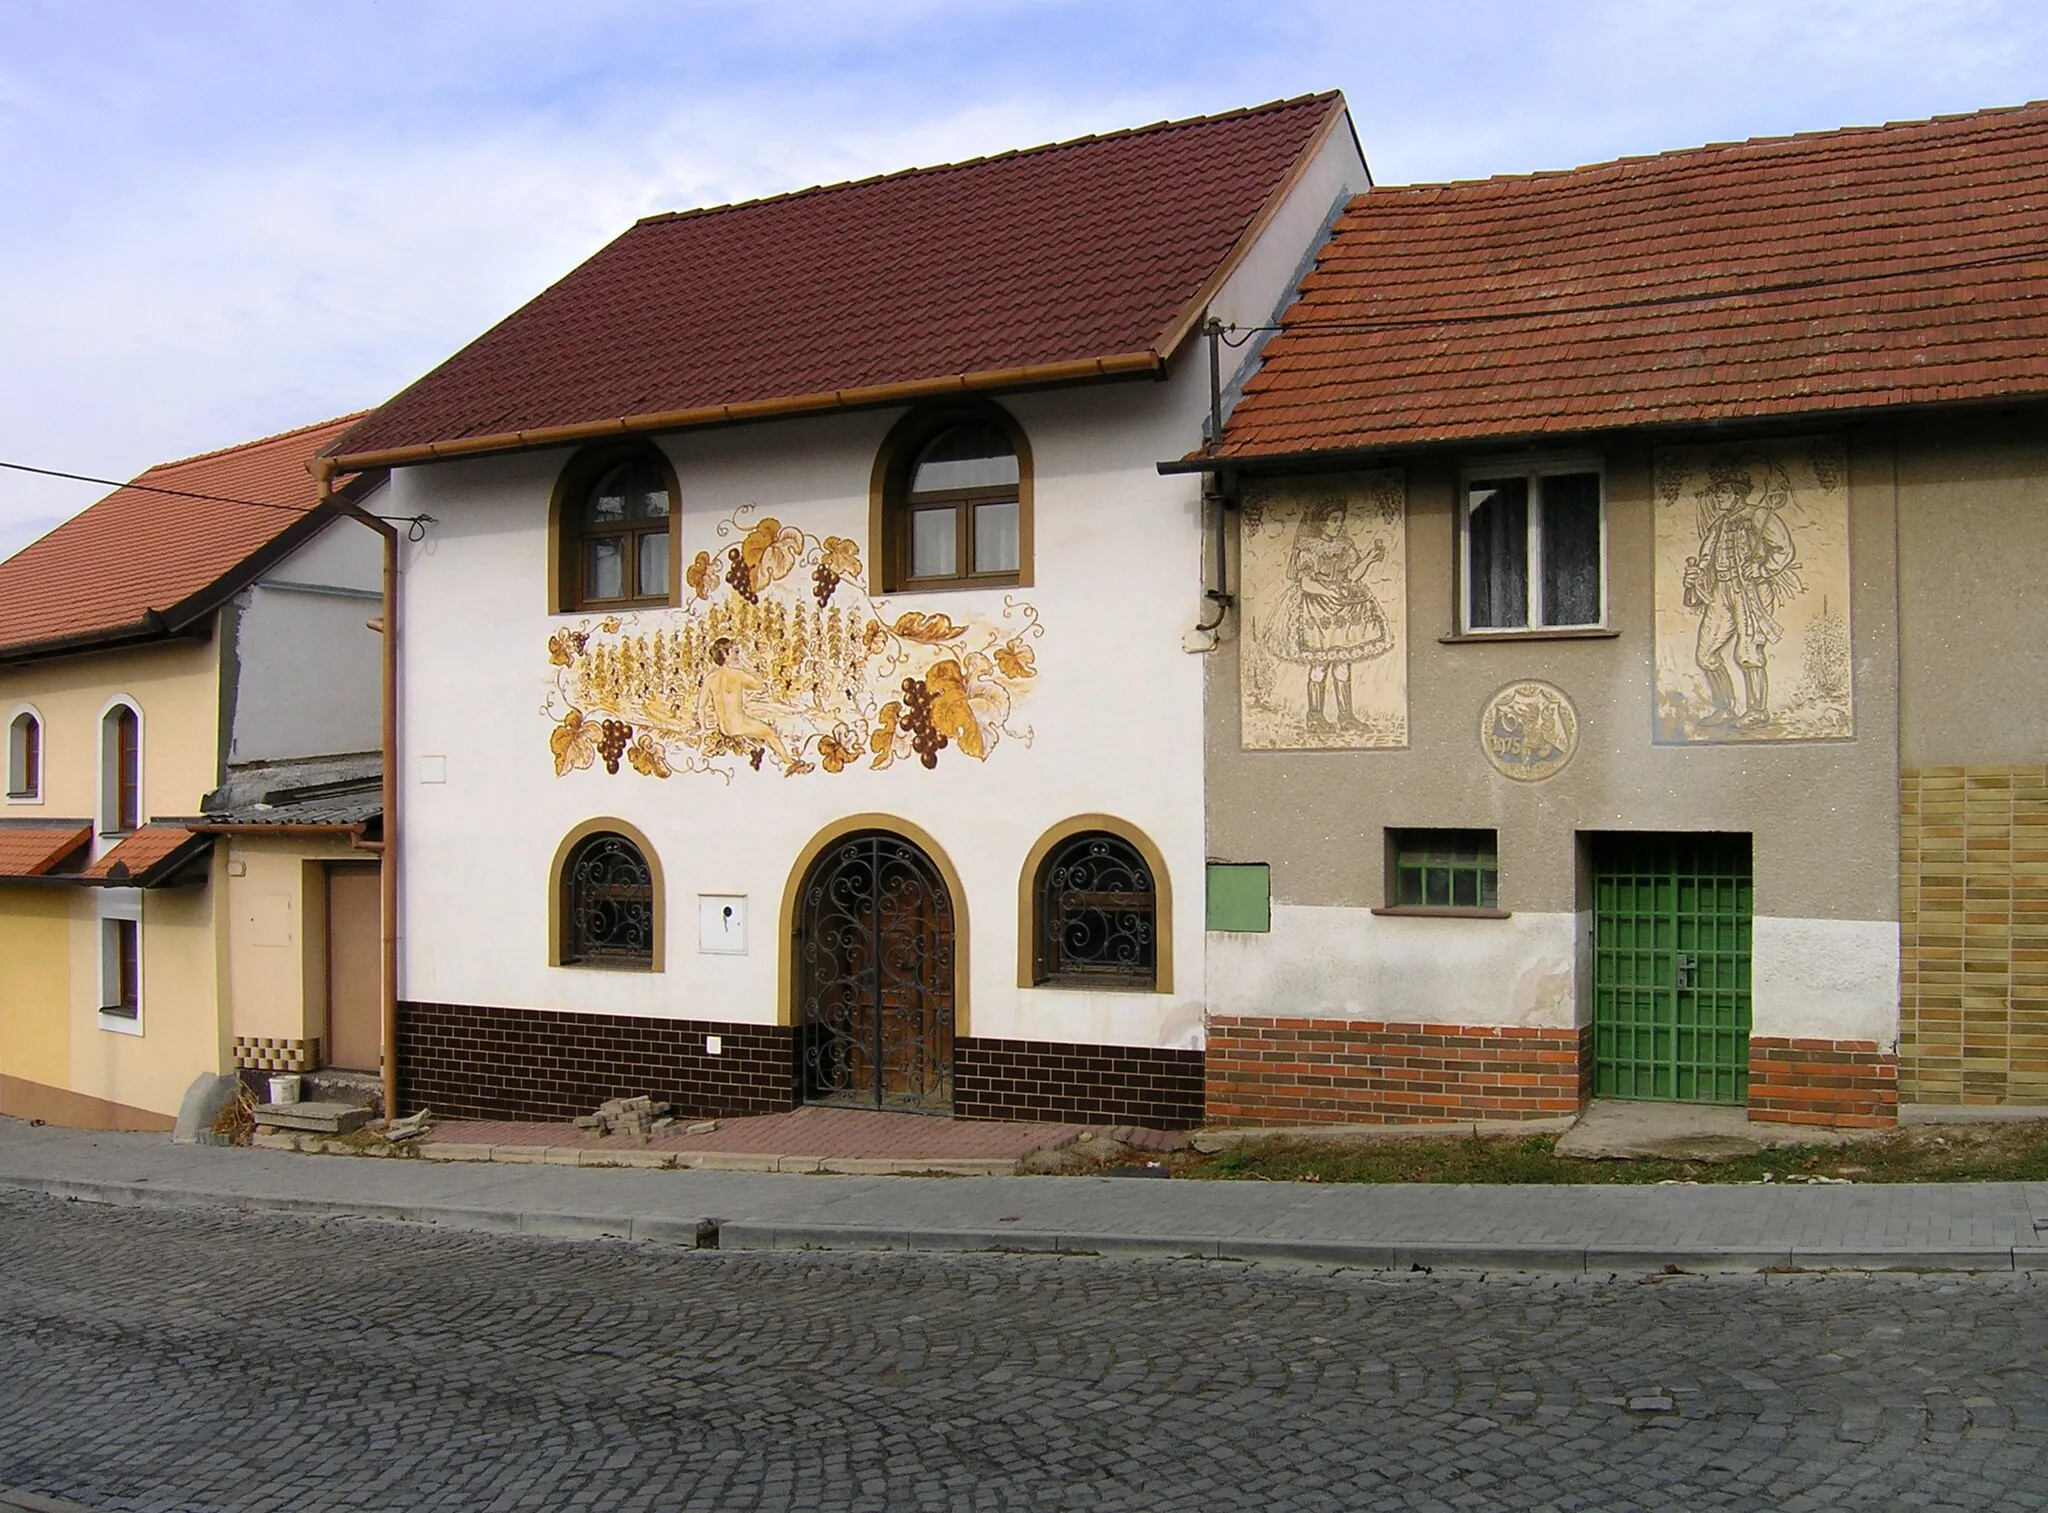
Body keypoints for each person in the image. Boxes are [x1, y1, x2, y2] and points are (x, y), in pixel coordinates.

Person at [1682, 457, 1800, 730]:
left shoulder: (1758, 515)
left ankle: (1758, 710)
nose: (1718, 497)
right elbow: (1705, 560)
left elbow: (1783, 550)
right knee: (1705, 654)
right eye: (1717, 492)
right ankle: (1724, 708)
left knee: (1748, 651)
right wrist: (1694, 577)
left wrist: (1760, 569)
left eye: (1723, 492)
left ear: (1737, 493)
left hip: (1751, 591)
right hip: (1721, 593)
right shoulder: (1718, 526)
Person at [1269, 498, 1393, 732]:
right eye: (1334, 520)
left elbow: (1352, 575)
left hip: (1340, 609)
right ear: (1321, 523)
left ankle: (1346, 717)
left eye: (1340, 520)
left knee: (1343, 663)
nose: (1338, 524)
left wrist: (1369, 558)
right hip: (1316, 610)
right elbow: (1305, 582)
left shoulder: (1344, 546)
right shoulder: (1308, 549)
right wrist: (1330, 591)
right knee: (1320, 664)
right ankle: (1315, 717)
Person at [698, 637, 803, 769]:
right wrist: (744, 663)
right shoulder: (736, 674)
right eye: (732, 651)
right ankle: (789, 761)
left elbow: (701, 706)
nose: (735, 654)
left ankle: (754, 750)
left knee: (758, 732)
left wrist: (704, 728)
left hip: (724, 728)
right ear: (725, 654)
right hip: (738, 725)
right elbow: (758, 684)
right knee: (770, 733)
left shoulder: (710, 679)